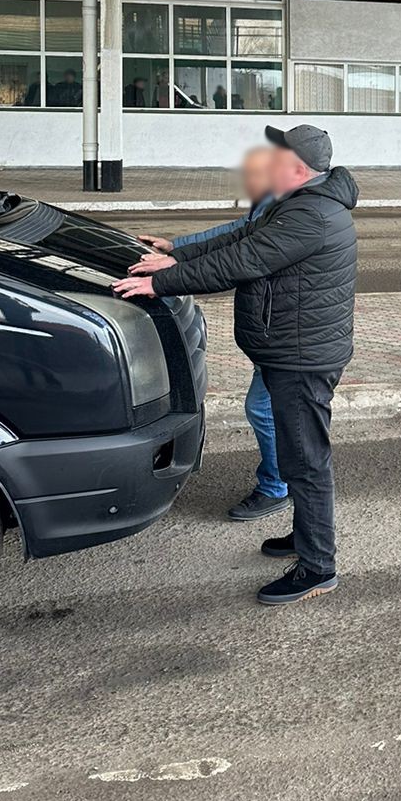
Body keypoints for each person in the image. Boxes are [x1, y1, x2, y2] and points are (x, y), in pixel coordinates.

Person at [115, 124, 358, 606]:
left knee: (306, 461)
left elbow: (243, 259)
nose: (265, 161)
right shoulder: (298, 203)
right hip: (290, 350)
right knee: (297, 455)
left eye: (276, 155)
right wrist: (176, 257)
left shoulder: (313, 216)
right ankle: (309, 536)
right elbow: (243, 236)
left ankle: (317, 566)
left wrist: (161, 285)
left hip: (301, 359)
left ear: (297, 168)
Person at [137, 145, 284, 522]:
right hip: (273, 329)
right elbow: (236, 232)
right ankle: (292, 481)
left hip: (289, 333)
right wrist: (178, 248)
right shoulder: (277, 199)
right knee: (282, 411)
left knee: (265, 409)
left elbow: (236, 260)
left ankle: (278, 486)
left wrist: (166, 279)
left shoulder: (300, 209)